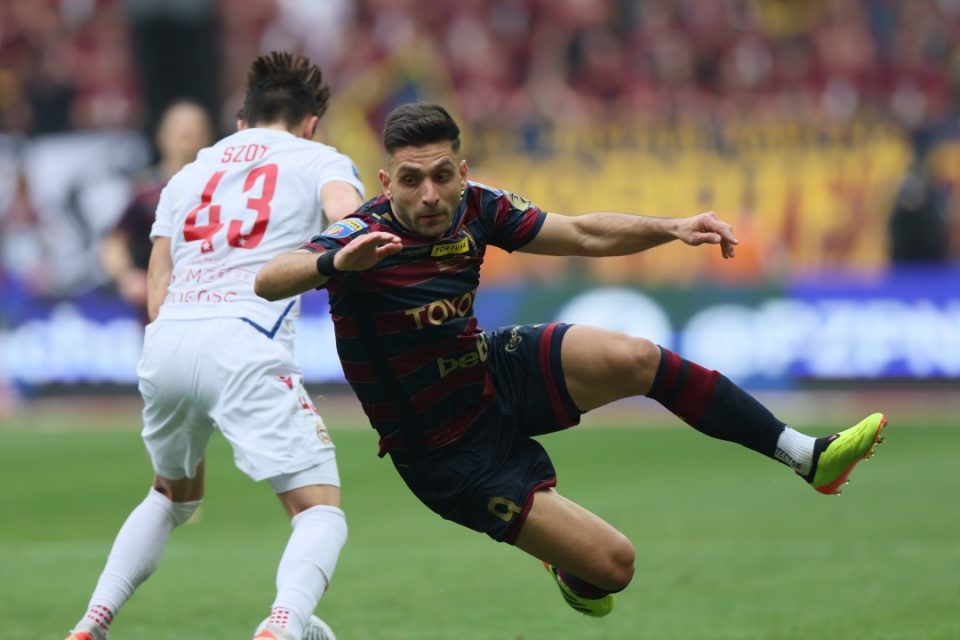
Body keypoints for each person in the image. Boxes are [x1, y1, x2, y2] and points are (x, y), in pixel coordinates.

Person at [254, 102, 887, 618]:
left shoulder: (478, 206)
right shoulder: (362, 236)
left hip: (489, 371)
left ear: (462, 172)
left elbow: (582, 232)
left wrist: (671, 227)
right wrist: (334, 262)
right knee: (614, 568)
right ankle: (567, 563)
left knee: (637, 356)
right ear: (387, 183)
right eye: (411, 180)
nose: (429, 195)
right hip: (445, 452)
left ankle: (807, 456)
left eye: (442, 175)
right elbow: (270, 278)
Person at [65, 52, 365, 640]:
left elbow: (157, 280)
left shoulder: (188, 173)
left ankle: (90, 623)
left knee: (171, 496)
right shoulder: (320, 158)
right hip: (246, 339)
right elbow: (348, 220)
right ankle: (281, 627)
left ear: (240, 121)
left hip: (169, 338)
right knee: (320, 511)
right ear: (310, 122)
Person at [100, 100, 214, 323]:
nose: (188, 132)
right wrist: (126, 276)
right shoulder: (144, 191)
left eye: (195, 128)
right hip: (160, 307)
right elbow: (114, 241)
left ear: (209, 136)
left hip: (211, 305)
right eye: (180, 128)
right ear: (162, 136)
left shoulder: (224, 189)